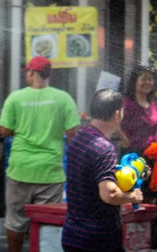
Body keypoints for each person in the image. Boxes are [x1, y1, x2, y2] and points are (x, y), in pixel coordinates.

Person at [0, 56, 80, 252]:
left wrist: (22, 127)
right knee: (48, 224)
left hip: (20, 170)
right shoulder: (64, 98)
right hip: (50, 173)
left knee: (16, 221)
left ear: (32, 74)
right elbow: (73, 134)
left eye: (28, 72)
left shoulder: (16, 98)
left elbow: (3, 130)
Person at [62, 89, 143, 252]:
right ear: (117, 115)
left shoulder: (79, 137)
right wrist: (133, 197)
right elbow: (109, 194)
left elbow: (89, 178)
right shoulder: (104, 148)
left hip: (73, 236)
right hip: (98, 240)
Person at [120, 66, 157, 155]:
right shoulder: (126, 103)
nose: (147, 82)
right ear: (134, 81)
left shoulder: (153, 103)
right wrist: (123, 139)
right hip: (133, 154)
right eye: (144, 79)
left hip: (152, 153)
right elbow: (113, 120)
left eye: (150, 79)